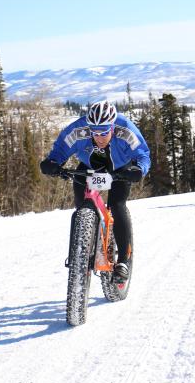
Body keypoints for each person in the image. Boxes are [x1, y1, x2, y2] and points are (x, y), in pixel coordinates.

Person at [40, 100, 151, 282]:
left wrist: (139, 169)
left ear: (113, 127)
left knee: (117, 204)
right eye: (95, 132)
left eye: (104, 132)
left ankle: (123, 260)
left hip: (121, 167)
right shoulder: (79, 129)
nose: (99, 137)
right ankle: (83, 249)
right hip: (90, 166)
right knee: (82, 202)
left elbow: (142, 154)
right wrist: (52, 162)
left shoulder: (125, 130)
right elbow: (61, 148)